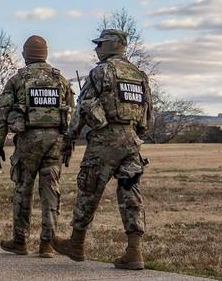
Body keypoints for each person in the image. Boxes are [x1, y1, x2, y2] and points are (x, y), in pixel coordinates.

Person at [52, 29, 152, 270]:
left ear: (110, 46)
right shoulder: (139, 75)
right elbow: (148, 113)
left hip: (105, 141)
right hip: (131, 141)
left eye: (99, 44)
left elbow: (82, 107)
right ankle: (134, 251)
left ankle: (76, 244)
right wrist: (136, 136)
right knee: (131, 193)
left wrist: (69, 138)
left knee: (89, 188)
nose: (96, 49)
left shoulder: (101, 71)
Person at [0, 35, 75, 258]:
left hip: (29, 140)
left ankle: (20, 241)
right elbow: (71, 114)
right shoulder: (61, 79)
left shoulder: (18, 80)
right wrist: (69, 144)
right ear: (45, 53)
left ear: (25, 54)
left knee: (23, 188)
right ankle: (47, 244)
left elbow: (3, 114)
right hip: (56, 141)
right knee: (51, 191)